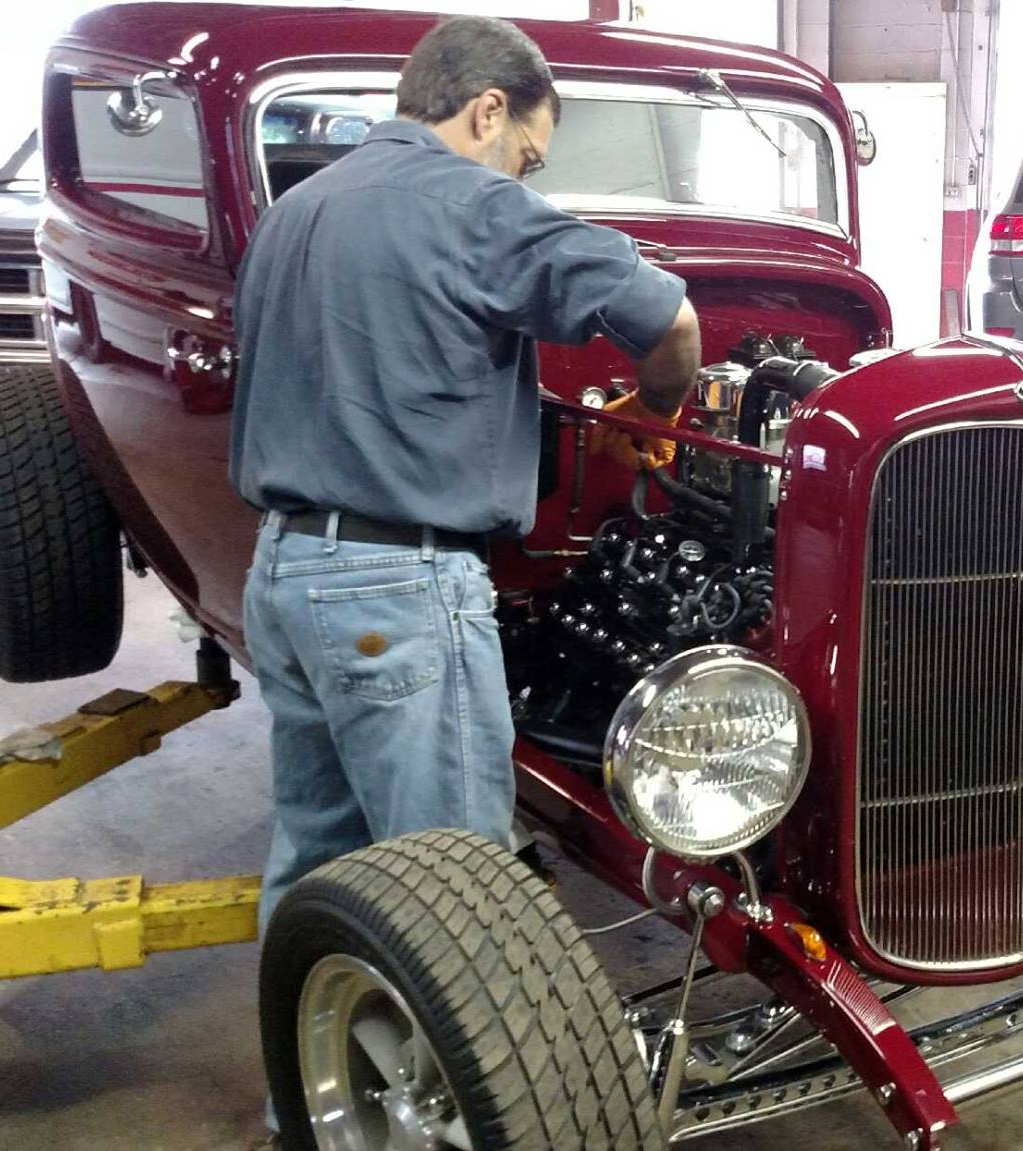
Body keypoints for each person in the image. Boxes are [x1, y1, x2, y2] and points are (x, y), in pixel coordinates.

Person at [230, 15, 699, 947]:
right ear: (489, 111)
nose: (526, 178)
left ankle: (312, 1084)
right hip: (397, 588)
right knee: (456, 892)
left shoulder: (295, 211)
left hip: (284, 577)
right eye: (529, 157)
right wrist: (653, 412)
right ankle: (447, 1095)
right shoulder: (472, 206)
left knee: (319, 857)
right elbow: (673, 322)